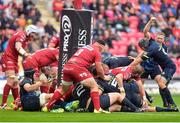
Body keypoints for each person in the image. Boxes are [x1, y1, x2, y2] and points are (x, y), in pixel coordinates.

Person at [42, 40, 111, 113]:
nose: (102, 51)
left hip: (67, 67)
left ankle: (47, 107)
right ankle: (97, 109)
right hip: (77, 67)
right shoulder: (97, 51)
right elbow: (99, 69)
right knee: (94, 86)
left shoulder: (85, 47)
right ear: (101, 46)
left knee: (62, 90)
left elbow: (84, 59)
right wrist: (104, 77)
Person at [131, 17, 177, 109]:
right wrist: (150, 22)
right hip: (162, 67)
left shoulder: (153, 48)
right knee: (157, 84)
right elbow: (145, 32)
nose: (159, 39)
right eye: (158, 38)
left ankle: (170, 104)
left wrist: (131, 64)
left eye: (161, 38)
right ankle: (167, 104)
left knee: (161, 84)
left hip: (166, 67)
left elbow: (142, 57)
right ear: (155, 38)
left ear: (164, 40)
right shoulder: (152, 43)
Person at [0, 25, 39, 109]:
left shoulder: (25, 38)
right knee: (11, 80)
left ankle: (15, 103)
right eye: (33, 34)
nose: (34, 36)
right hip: (8, 58)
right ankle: (3, 104)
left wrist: (29, 54)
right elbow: (18, 47)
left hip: (14, 59)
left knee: (15, 83)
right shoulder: (22, 35)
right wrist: (26, 54)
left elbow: (22, 50)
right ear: (29, 31)